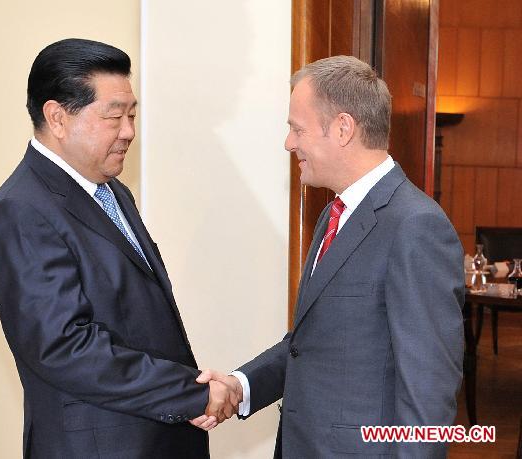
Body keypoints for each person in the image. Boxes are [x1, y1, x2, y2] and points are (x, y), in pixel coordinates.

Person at [193, 55, 464, 458]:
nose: (289, 143)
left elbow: (427, 392)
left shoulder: (415, 226)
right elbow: (311, 344)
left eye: (296, 128)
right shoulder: (333, 214)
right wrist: (241, 385)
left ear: (342, 128)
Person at [0, 38, 235, 458]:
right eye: (113, 116)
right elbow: (65, 348)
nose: (129, 131)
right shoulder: (20, 212)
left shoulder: (111, 191)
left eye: (132, 115)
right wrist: (190, 394)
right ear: (57, 117)